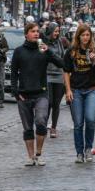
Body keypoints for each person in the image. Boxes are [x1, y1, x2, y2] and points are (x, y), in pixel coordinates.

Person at [10, 23, 64, 166]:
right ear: (26, 34)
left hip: (41, 93)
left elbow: (61, 63)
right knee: (27, 128)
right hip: (24, 94)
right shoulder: (19, 51)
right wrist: (16, 92)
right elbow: (14, 73)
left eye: (37, 32)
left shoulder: (43, 50)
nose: (36, 34)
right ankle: (30, 156)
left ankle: (39, 153)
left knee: (41, 122)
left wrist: (49, 52)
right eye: (32, 31)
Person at [63, 24, 95, 163]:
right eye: (83, 35)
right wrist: (68, 90)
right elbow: (66, 72)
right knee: (78, 123)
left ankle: (88, 148)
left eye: (88, 35)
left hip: (92, 89)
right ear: (78, 36)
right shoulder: (71, 51)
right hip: (76, 90)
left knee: (91, 119)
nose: (85, 38)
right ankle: (79, 153)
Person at [44, 22, 66, 138]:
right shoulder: (44, 42)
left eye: (58, 31)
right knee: (49, 102)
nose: (57, 33)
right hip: (47, 74)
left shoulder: (59, 42)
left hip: (59, 75)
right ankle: (43, 126)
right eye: (55, 31)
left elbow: (62, 57)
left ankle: (53, 128)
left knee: (56, 103)